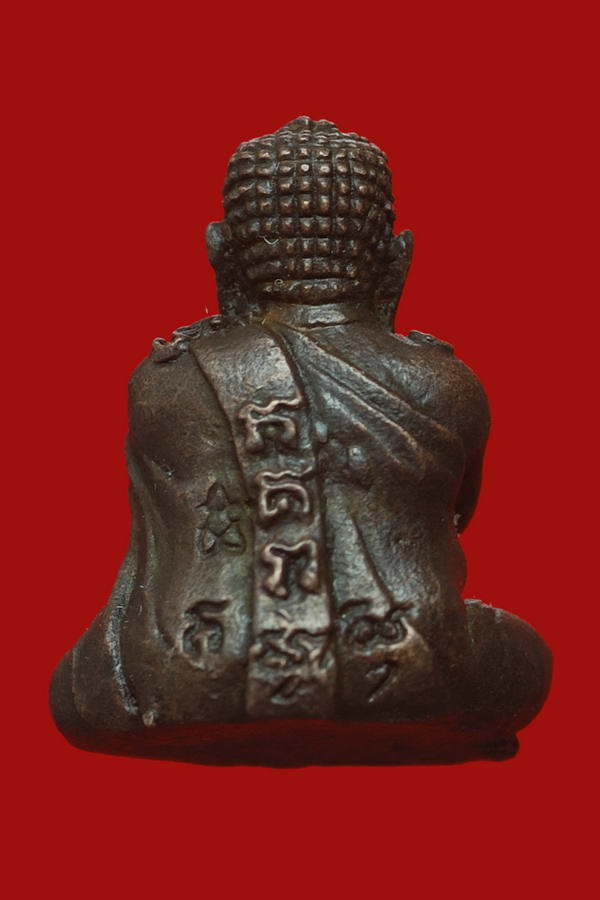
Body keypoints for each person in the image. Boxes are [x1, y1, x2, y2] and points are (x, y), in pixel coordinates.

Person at [51, 117, 551, 765]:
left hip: (193, 666)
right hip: (405, 658)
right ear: (398, 259)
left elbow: (158, 551)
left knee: (77, 690)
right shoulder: (442, 381)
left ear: (220, 254)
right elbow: (454, 517)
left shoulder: (166, 379)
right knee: (522, 657)